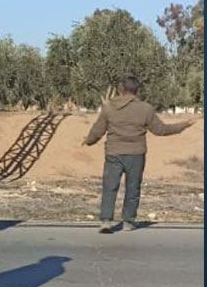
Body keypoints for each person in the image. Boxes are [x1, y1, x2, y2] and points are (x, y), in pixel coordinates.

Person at [83, 75, 194, 232]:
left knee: (110, 187)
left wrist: (88, 141)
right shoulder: (146, 109)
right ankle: (128, 221)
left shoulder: (109, 107)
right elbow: (161, 130)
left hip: (114, 153)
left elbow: (97, 130)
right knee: (133, 188)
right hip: (136, 154)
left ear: (121, 89)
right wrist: (183, 125)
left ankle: (106, 221)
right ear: (137, 90)